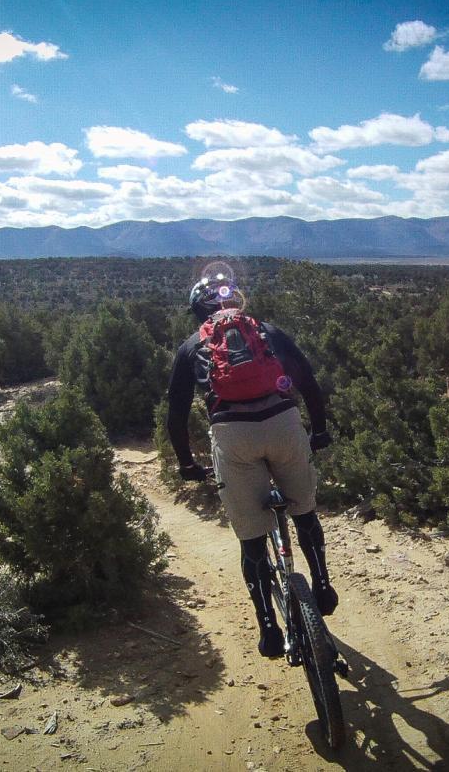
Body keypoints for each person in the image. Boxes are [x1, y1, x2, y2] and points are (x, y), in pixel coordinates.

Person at [166, 275, 336, 658]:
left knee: (251, 541)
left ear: (198, 312)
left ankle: (269, 628)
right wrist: (319, 431)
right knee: (305, 512)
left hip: (233, 436)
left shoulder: (192, 347)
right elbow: (308, 381)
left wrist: (186, 465)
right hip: (283, 424)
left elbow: (175, 417)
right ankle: (322, 586)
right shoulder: (267, 332)